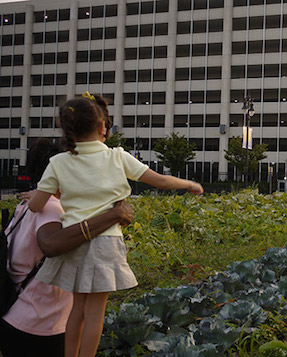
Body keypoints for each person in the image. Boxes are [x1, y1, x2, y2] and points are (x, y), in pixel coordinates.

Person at [27, 92, 203, 357]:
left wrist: (41, 193)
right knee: (95, 313)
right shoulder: (117, 157)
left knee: (77, 309)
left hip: (74, 241)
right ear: (102, 127)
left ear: (67, 130)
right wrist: (190, 184)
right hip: (105, 243)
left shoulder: (58, 162)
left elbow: (35, 206)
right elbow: (160, 181)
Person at [0, 139, 135, 357]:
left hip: (18, 315)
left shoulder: (29, 203)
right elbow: (51, 244)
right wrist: (114, 214)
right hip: (39, 325)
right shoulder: (51, 207)